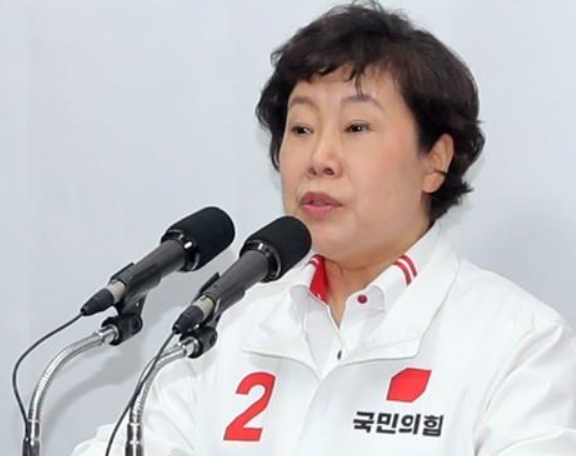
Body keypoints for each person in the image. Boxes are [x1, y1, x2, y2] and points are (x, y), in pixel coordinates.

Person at [72, 2, 576, 455]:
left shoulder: (519, 343)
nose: (319, 158)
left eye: (356, 128)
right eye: (301, 129)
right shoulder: (228, 321)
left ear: (434, 161)